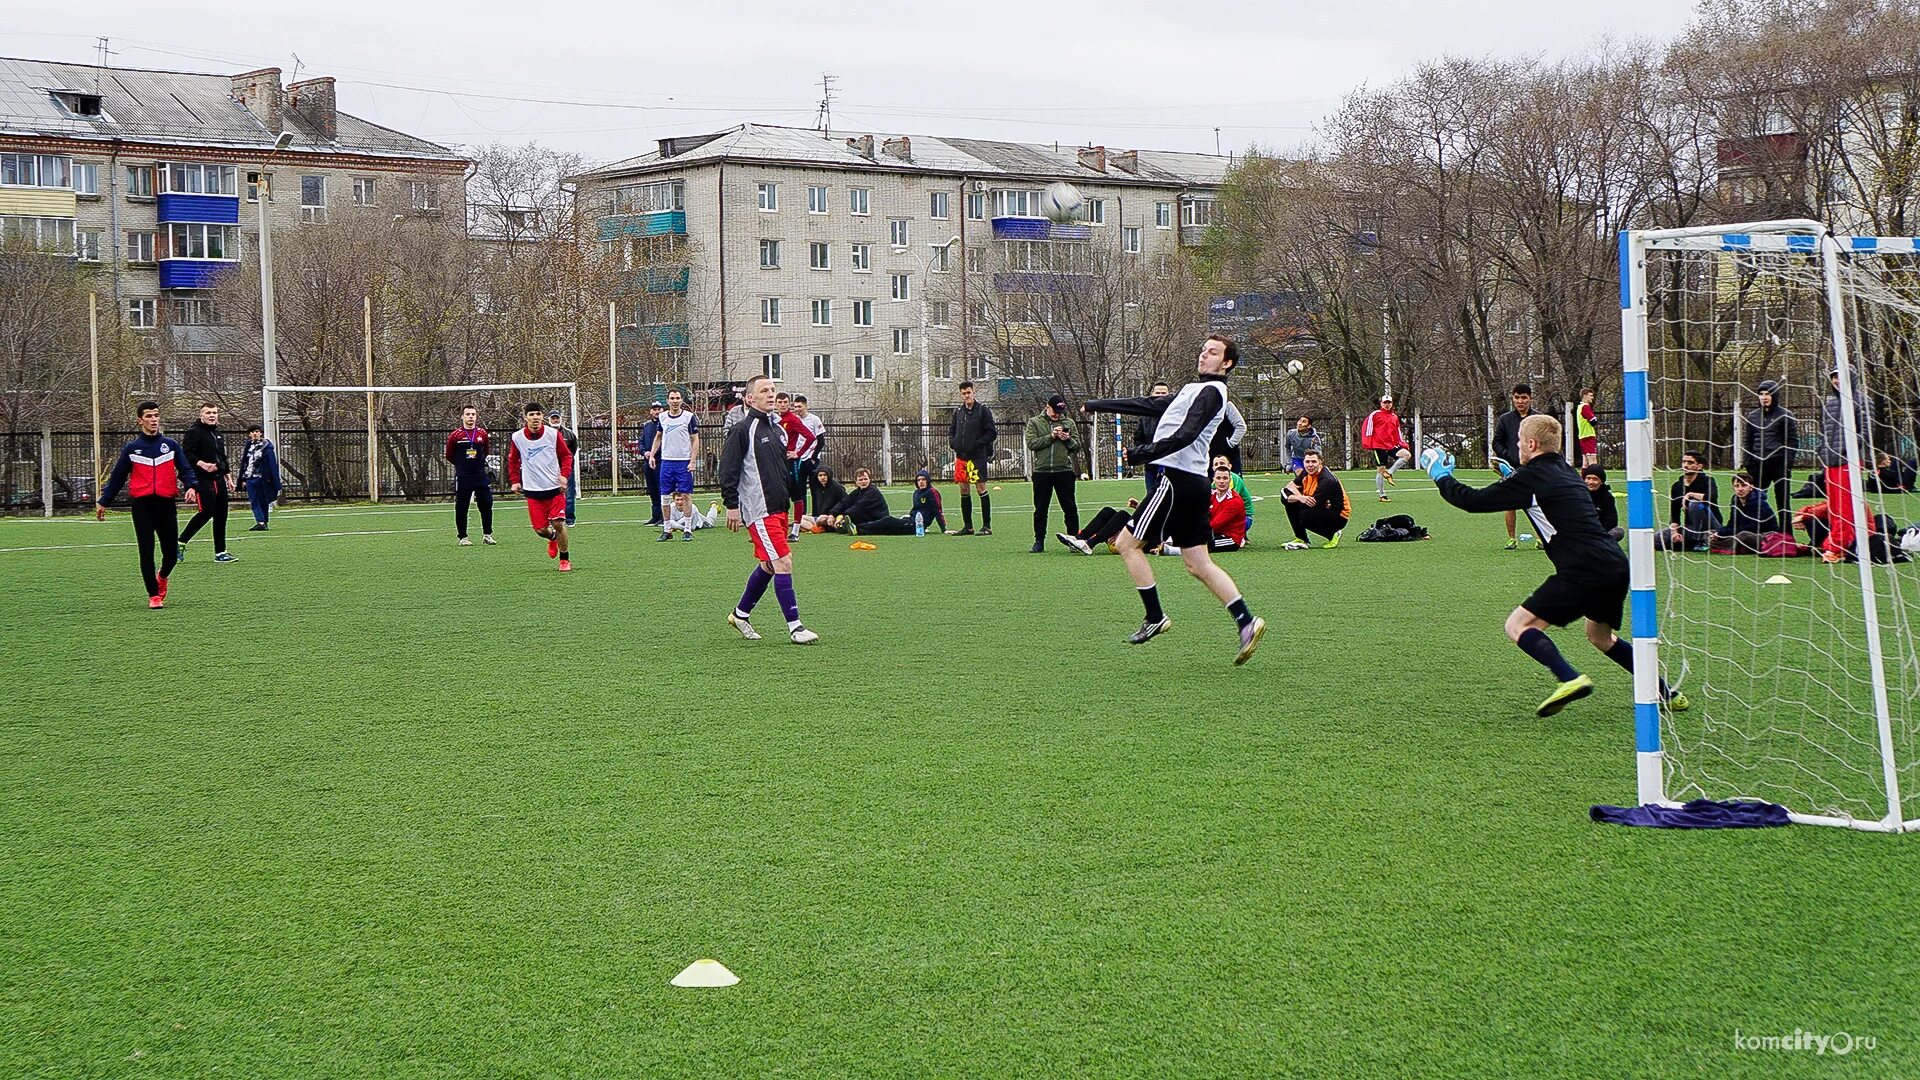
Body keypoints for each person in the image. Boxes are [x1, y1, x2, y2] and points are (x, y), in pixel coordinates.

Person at [1427, 413, 1688, 718]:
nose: (1518, 446)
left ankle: (1570, 678)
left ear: (1532, 444)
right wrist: (1513, 477)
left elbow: (1472, 501)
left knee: (1516, 625)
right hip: (1614, 564)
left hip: (1582, 569)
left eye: (1520, 441)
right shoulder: (1564, 470)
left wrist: (1440, 477)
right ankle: (1665, 692)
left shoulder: (1531, 479)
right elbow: (1543, 496)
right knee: (1600, 637)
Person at [1081, 334, 1266, 663]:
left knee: (1126, 544)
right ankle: (1246, 621)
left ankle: (1155, 617)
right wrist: (1099, 405)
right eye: (1203, 349)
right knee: (1198, 564)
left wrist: (1142, 453)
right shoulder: (1195, 389)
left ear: (1227, 364)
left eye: (1212, 352)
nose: (1203, 355)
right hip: (1193, 483)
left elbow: (1187, 434)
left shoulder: (1213, 391)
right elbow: (1150, 405)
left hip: (1176, 480)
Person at [719, 374, 818, 644]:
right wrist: (731, 505)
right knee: (783, 562)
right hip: (758, 508)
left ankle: (740, 614)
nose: (771, 394)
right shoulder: (742, 430)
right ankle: (796, 628)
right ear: (750, 398)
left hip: (778, 506)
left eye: (773, 389)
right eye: (764, 390)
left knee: (769, 565)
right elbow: (728, 469)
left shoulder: (778, 429)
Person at [95, 400, 199, 608]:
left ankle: (162, 576)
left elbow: (186, 470)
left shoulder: (170, 445)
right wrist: (104, 501)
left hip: (166, 504)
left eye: (156, 415)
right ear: (140, 420)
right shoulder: (132, 448)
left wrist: (191, 486)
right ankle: (153, 595)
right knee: (146, 549)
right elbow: (117, 477)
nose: (153, 420)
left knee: (170, 552)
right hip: (142, 506)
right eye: (149, 416)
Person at [1818, 366, 1878, 564]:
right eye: (1833, 377)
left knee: (1845, 505)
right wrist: (1823, 450)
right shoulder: (1830, 403)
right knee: (1833, 505)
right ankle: (1836, 541)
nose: (1836, 381)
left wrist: (1848, 449)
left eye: (1840, 377)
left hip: (1849, 460)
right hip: (1830, 461)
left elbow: (1867, 432)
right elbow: (1824, 432)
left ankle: (1840, 546)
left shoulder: (1862, 401)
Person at [506, 402, 574, 572]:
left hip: (554, 489)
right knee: (541, 530)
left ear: (542, 416)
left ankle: (564, 559)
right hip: (533, 491)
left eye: (538, 414)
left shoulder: (552, 434)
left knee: (558, 523)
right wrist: (515, 480)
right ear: (525, 417)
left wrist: (564, 476)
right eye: (531, 414)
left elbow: (566, 456)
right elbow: (513, 460)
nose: (535, 417)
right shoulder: (518, 437)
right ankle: (552, 538)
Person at [176, 402, 237, 563]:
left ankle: (220, 552)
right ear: (201, 415)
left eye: (215, 412)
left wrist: (228, 478)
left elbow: (222, 458)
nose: (212, 415)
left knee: (222, 515)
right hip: (202, 479)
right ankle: (180, 542)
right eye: (208, 412)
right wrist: (202, 464)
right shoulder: (194, 432)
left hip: (218, 479)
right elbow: (186, 454)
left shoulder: (218, 434)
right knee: (206, 512)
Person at [1026, 393, 1082, 552]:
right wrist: (1051, 436)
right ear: (1047, 407)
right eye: (1054, 411)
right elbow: (1032, 443)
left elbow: (1076, 446)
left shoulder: (1068, 422)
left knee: (1070, 508)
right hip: (1042, 472)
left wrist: (1067, 439)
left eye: (1060, 412)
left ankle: (1074, 540)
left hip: (1063, 471)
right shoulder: (1035, 422)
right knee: (1041, 509)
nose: (1057, 415)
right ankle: (1039, 540)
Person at [1744, 380, 1798, 532]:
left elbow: (1792, 441)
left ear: (1775, 395)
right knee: (1755, 500)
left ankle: (1787, 534)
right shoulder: (1753, 416)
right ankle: (1757, 531)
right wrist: (1748, 461)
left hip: (1779, 463)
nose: (1764, 397)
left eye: (1767, 394)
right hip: (1757, 464)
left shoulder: (1786, 415)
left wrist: (1787, 462)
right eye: (1761, 394)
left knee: (1783, 501)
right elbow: (1747, 440)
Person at [948, 380, 997, 534]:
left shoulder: (983, 410)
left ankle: (986, 526)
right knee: (963, 488)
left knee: (980, 488)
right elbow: (952, 430)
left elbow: (992, 433)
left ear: (973, 392)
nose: (966, 396)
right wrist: (953, 442)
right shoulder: (958, 412)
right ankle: (968, 527)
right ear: (960, 394)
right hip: (961, 456)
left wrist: (977, 444)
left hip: (977, 456)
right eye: (964, 393)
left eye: (968, 392)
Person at [1492, 383, 1535, 549]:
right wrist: (1508, 457)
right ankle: (1512, 539)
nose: (1520, 401)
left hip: (1533, 468)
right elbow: (1496, 442)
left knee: (1538, 503)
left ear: (1530, 398)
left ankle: (1541, 538)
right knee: (1510, 503)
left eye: (1524, 397)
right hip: (1510, 468)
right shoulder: (1505, 419)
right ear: (1513, 398)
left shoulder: (1537, 419)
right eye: (1517, 397)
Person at [445, 405, 496, 546]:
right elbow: (449, 455)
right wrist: (462, 466)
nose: (470, 417)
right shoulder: (455, 435)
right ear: (462, 416)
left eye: (473, 414)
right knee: (462, 507)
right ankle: (463, 537)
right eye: (467, 414)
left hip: (480, 475)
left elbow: (485, 451)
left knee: (486, 504)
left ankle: (487, 535)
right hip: (463, 477)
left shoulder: (482, 433)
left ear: (476, 416)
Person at [1280, 449, 1350, 550]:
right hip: (1321, 507)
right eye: (1307, 462)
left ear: (1320, 462)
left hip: (1338, 515)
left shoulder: (1326, 480)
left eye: (1314, 461)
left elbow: (1313, 503)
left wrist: (1294, 497)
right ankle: (1301, 538)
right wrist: (1300, 497)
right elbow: (1289, 487)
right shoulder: (1306, 472)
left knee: (1303, 514)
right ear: (1303, 462)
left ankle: (1333, 534)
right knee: (1291, 504)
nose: (1310, 465)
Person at [778, 392, 822, 539]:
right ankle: (781, 531)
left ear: (788, 404)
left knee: (797, 495)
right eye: (780, 402)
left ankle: (795, 531)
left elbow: (811, 437)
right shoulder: (774, 419)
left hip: (792, 463)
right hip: (778, 463)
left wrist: (798, 452)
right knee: (779, 496)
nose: (782, 405)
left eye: (785, 402)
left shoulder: (793, 419)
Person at [649, 388, 701, 514]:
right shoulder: (662, 417)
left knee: (686, 494)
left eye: (677, 398)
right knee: (665, 495)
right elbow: (658, 437)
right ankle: (667, 529)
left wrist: (693, 461)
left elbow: (695, 439)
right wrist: (652, 455)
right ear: (668, 401)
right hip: (667, 461)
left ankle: (688, 529)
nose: (675, 401)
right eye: (672, 398)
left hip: (684, 461)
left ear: (681, 400)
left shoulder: (688, 417)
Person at [1657, 450, 1720, 552]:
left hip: (1710, 527)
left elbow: (1711, 498)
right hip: (1690, 528)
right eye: (1684, 462)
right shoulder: (1677, 486)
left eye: (1690, 463)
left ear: (1699, 466)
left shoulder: (1708, 481)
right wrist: (1675, 532)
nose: (1685, 465)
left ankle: (1700, 541)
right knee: (1656, 540)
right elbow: (1675, 514)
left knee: (1695, 504)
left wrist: (1690, 494)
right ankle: (1688, 544)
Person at [821, 468, 918, 534]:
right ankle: (844, 527)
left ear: (869, 480)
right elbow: (844, 502)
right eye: (860, 479)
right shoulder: (857, 492)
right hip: (867, 518)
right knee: (847, 518)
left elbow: (858, 507)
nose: (863, 481)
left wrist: (842, 517)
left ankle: (855, 529)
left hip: (878, 519)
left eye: (865, 479)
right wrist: (832, 514)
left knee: (886, 521)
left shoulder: (872, 492)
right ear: (856, 482)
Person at [1361, 393, 1411, 502]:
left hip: (1391, 445)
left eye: (1389, 403)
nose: (1387, 405)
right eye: (1385, 403)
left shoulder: (1394, 417)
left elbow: (1397, 432)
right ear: (1381, 404)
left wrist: (1402, 443)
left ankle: (1390, 472)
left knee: (1406, 455)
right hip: (1379, 445)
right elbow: (1367, 428)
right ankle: (1382, 494)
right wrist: (1368, 443)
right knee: (1380, 470)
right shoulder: (1375, 414)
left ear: (1392, 404)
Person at [1710, 472, 1774, 553]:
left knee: (1743, 535)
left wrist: (1722, 534)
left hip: (1764, 535)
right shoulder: (1735, 502)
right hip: (1740, 532)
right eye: (1737, 486)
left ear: (1751, 487)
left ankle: (1732, 546)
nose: (1740, 489)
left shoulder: (1759, 503)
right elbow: (1732, 523)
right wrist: (1719, 533)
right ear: (1733, 488)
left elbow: (1753, 527)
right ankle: (1736, 547)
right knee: (1709, 533)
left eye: (1744, 485)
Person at [237, 424, 281, 531]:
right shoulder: (248, 446)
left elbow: (272, 464)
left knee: (263, 500)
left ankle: (264, 522)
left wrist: (274, 481)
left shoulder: (266, 447)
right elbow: (245, 463)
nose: (255, 434)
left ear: (260, 433)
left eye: (257, 431)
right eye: (252, 432)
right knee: (254, 500)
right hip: (250, 478)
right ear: (249, 434)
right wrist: (243, 479)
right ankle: (260, 521)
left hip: (262, 478)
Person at [1057, 499, 1139, 554]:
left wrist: (1124, 532)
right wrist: (1138, 506)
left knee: (1122, 515)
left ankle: (1089, 544)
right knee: (1107, 511)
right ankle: (1079, 538)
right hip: (1141, 530)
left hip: (1146, 539)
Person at [1136, 380, 1172, 495]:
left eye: (1163, 393)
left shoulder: (1175, 415)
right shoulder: (1144, 416)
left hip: (1171, 465)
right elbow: (1138, 438)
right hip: (1151, 464)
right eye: (1158, 393)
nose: (1160, 396)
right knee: (1151, 495)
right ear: (1152, 395)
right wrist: (1145, 453)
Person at [548, 408, 581, 527]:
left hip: (566, 470)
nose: (555, 420)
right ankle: (551, 518)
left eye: (557, 418)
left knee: (569, 494)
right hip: (549, 470)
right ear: (549, 420)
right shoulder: (544, 434)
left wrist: (566, 465)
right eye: (553, 418)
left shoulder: (569, 434)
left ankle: (570, 519)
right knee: (550, 495)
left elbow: (572, 450)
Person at [636, 400, 666, 525]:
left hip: (660, 462)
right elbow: (641, 442)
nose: (657, 411)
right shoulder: (647, 426)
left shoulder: (666, 425)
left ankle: (663, 517)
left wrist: (654, 454)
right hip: (648, 463)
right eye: (654, 409)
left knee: (661, 490)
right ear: (651, 411)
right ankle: (655, 516)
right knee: (652, 490)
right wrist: (645, 453)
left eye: (659, 409)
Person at [1208, 464, 1247, 552]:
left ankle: (1174, 550)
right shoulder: (1210, 495)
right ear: (1214, 479)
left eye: (1225, 478)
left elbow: (1215, 524)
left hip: (1231, 539)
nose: (1222, 481)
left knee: (1200, 543)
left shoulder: (1234, 501)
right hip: (1214, 533)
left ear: (1229, 480)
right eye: (1218, 478)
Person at [1212, 454, 1253, 536]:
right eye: (1216, 464)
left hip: (1245, 518)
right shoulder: (1214, 483)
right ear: (1212, 467)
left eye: (1222, 463)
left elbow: (1230, 503)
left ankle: (1239, 536)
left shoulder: (1235, 479)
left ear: (1229, 466)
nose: (1219, 466)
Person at [1581, 465, 1623, 542]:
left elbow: (1612, 521)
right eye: (1588, 478)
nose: (1591, 482)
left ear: (1601, 481)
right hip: (1581, 531)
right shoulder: (1578, 494)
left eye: (1595, 479)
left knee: (1618, 532)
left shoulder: (1607, 497)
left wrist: (1599, 532)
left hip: (1601, 531)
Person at [803, 465, 847, 532]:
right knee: (799, 518)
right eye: (820, 475)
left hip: (832, 516)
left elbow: (845, 501)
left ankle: (817, 527)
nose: (822, 477)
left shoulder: (836, 487)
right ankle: (815, 528)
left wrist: (832, 514)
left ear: (828, 475)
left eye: (825, 475)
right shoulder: (818, 488)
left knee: (821, 518)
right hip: (819, 517)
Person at [910, 469, 947, 534]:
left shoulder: (932, 492)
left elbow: (937, 510)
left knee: (890, 524)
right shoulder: (916, 493)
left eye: (923, 479)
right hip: (911, 520)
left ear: (928, 480)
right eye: (918, 480)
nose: (921, 482)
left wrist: (944, 529)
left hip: (918, 524)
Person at [1576, 388, 1600, 467]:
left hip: (1582, 436)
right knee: (1592, 460)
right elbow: (1593, 421)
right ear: (1585, 396)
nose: (1592, 397)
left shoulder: (1579, 407)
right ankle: (1593, 477)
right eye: (1590, 396)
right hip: (1588, 435)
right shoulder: (1585, 407)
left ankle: (1583, 478)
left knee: (1585, 462)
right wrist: (1595, 419)